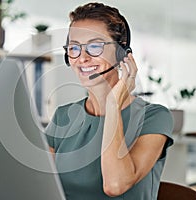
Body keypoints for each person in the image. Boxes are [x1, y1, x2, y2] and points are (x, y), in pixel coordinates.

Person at [45, 2, 174, 200]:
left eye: (94, 46)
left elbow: (115, 185)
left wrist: (113, 105)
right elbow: (40, 186)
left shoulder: (154, 117)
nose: (82, 58)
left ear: (121, 52)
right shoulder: (63, 117)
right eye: (74, 48)